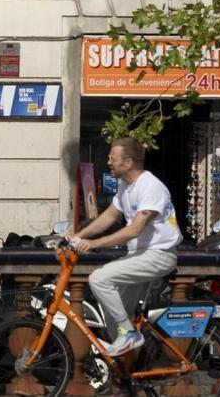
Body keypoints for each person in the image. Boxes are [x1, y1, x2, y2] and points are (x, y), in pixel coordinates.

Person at [70, 137, 181, 357]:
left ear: (128, 162)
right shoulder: (125, 186)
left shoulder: (150, 187)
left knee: (99, 279)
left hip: (158, 255)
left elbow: (134, 230)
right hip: (139, 255)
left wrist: (93, 244)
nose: (108, 162)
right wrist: (77, 236)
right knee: (114, 313)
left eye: (112, 158)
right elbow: (110, 216)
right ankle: (127, 368)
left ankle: (130, 334)